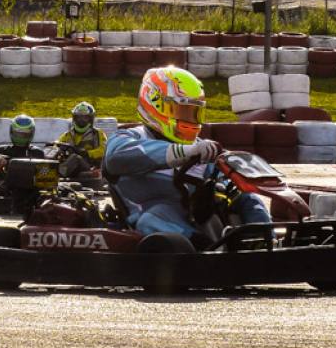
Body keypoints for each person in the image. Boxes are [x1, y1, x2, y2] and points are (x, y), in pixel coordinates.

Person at [103, 66, 271, 241]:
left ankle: (264, 242)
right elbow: (115, 159)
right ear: (156, 105)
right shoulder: (128, 137)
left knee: (247, 198)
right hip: (155, 221)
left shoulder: (199, 147)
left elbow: (226, 179)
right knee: (153, 218)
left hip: (198, 214)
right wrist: (185, 152)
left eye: (194, 113)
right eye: (182, 111)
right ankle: (203, 250)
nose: (189, 119)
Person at [55, 100, 106, 179]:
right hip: (72, 168)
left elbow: (105, 150)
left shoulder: (97, 134)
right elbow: (57, 146)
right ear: (74, 118)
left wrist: (87, 153)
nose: (81, 120)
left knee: (76, 158)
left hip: (89, 166)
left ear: (90, 119)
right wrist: (58, 150)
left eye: (84, 117)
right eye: (79, 117)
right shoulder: (67, 135)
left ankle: (57, 176)